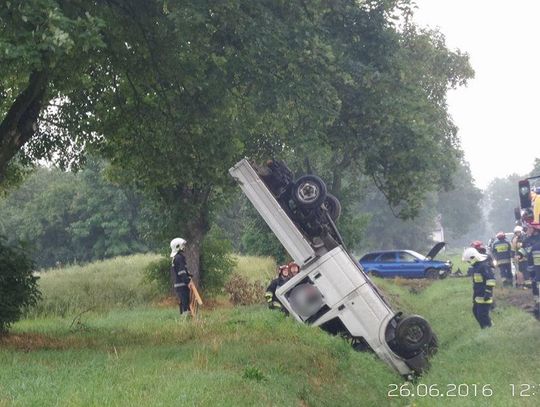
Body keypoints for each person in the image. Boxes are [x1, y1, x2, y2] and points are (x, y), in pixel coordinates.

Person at [462, 247, 496, 328]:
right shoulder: (475, 267)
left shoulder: (483, 266)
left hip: (485, 295)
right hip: (478, 295)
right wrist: (474, 296)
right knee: (475, 312)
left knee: (482, 315)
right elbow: (476, 283)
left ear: (473, 258)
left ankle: (489, 329)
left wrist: (488, 292)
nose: (468, 262)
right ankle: (485, 327)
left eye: (468, 260)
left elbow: (491, 279)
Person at [170, 237, 191, 316]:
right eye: (183, 245)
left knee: (183, 301)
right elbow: (181, 272)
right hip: (182, 284)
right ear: (178, 246)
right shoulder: (179, 258)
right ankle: (185, 319)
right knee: (185, 302)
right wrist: (187, 281)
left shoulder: (176, 257)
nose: (184, 247)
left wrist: (188, 275)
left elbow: (182, 270)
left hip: (180, 284)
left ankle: (184, 317)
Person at [526, 222, 540, 318]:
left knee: (537, 290)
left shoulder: (534, 245)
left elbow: (530, 259)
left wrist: (531, 274)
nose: (528, 230)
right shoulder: (527, 240)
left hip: (537, 273)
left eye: (530, 228)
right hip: (536, 273)